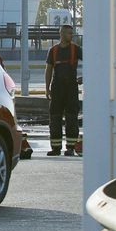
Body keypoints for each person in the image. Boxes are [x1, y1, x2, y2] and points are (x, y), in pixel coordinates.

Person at [45, 24, 83, 157]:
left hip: (71, 87)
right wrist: (47, 88)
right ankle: (55, 148)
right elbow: (49, 69)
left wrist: (84, 77)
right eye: (69, 33)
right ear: (61, 34)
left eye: (72, 33)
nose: (71, 35)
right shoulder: (53, 50)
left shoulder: (76, 49)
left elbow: (91, 62)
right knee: (55, 117)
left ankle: (70, 147)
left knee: (71, 117)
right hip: (57, 88)